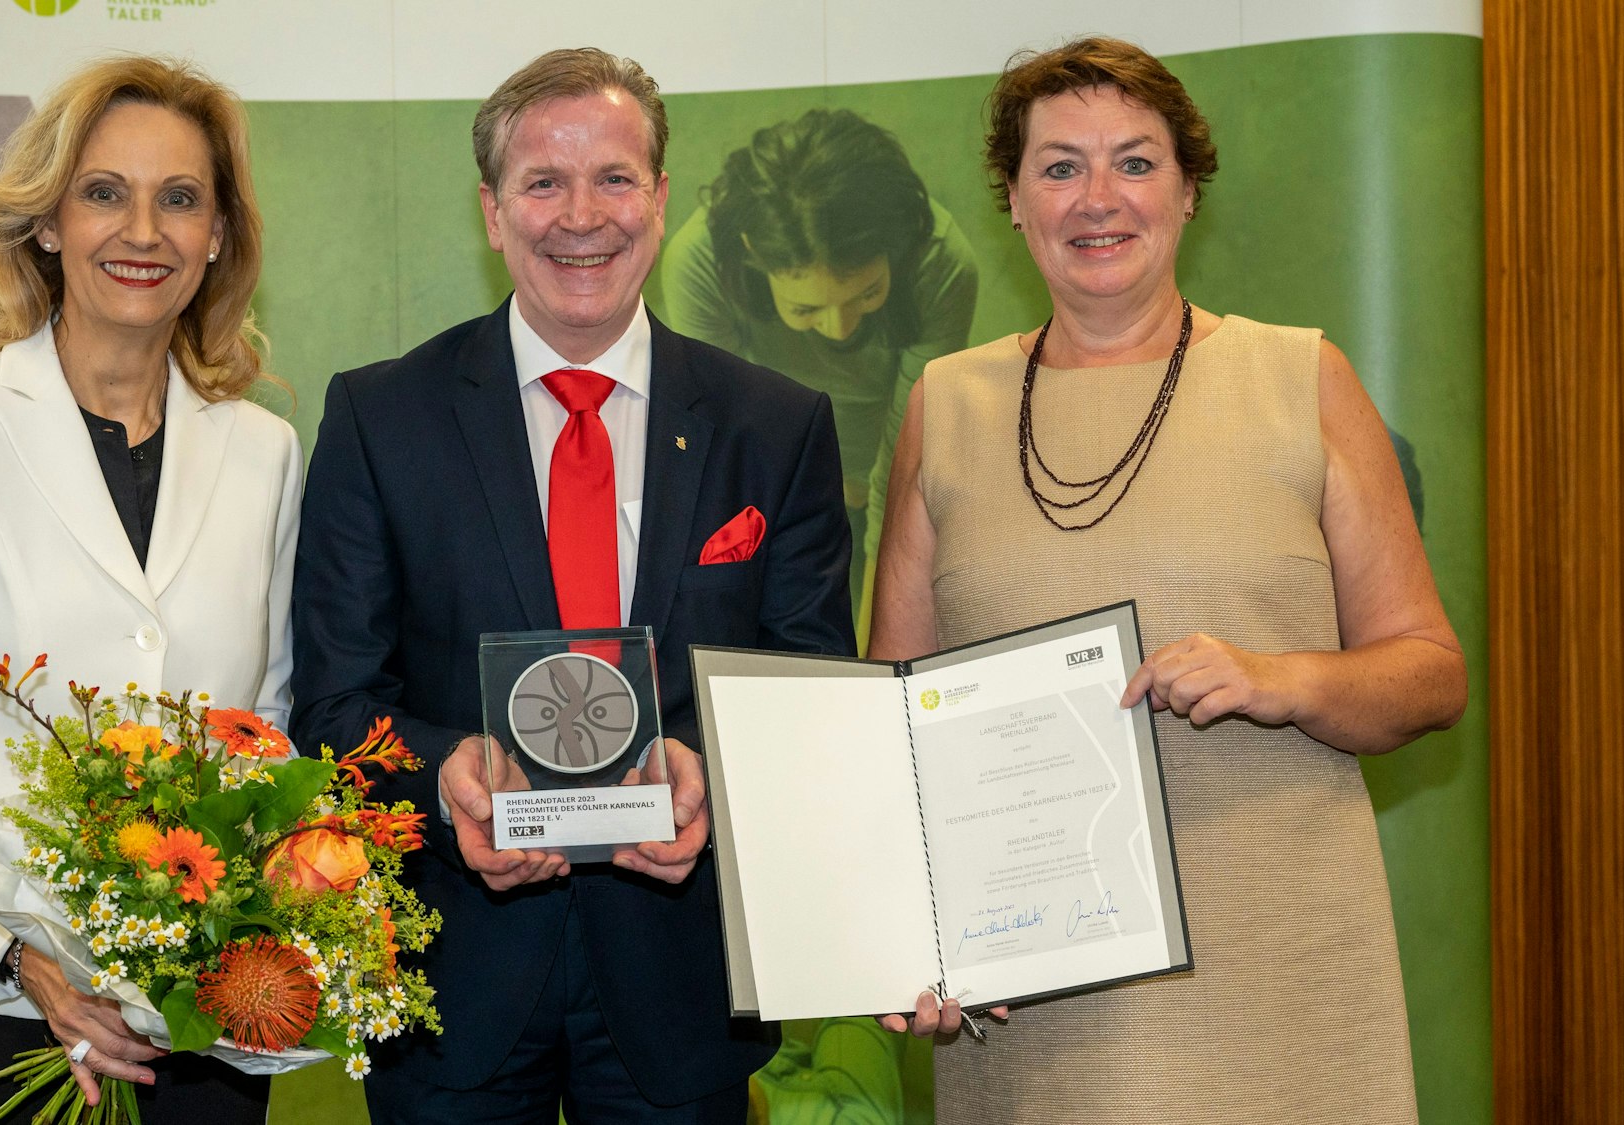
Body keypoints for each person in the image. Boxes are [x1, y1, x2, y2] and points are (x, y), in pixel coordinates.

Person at [870, 37, 1466, 1123]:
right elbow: (893, 728)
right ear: (1013, 202)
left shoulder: (1301, 378)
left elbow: (1431, 674)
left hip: (1282, 981)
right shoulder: (945, 405)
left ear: (1189, 191)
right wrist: (905, 943)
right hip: (1037, 1007)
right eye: (1059, 167)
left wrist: (1283, 678)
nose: (1097, 198)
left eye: (1135, 163)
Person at [290, 47, 855, 1124]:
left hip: (683, 980)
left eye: (613, 178)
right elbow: (332, 705)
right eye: (543, 182)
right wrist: (445, 776)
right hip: (448, 981)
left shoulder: (775, 427)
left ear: (661, 199)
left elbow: (809, 697)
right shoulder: (381, 418)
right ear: (492, 212)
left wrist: (709, 776)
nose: (581, 216)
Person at [0, 56, 299, 1122]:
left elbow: (262, 726)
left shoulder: (265, 453)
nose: (143, 231)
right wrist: (21, 960)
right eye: (104, 193)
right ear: (47, 223)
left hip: (194, 1025)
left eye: (180, 199)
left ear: (218, 235)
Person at [661, 108, 977, 621]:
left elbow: (904, 458)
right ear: (753, 255)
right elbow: (719, 443)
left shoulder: (940, 260)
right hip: (772, 482)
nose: (840, 329)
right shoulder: (699, 262)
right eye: (806, 308)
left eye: (867, 294)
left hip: (879, 478)